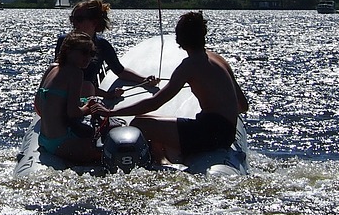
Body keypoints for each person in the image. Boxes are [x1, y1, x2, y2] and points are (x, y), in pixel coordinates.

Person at [106, 11, 248, 164]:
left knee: (140, 124)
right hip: (227, 133)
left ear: (179, 39)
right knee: (149, 120)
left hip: (212, 134)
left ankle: (159, 163)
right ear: (203, 35)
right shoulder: (219, 59)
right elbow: (243, 105)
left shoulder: (190, 65)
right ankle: (168, 156)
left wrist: (112, 112)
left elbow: (155, 103)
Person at [55, 0, 159, 98]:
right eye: (72, 19)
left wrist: (144, 80)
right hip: (65, 95)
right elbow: (59, 74)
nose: (74, 23)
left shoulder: (102, 45)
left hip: (87, 95)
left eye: (79, 19)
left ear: (94, 22)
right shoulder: (64, 41)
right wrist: (107, 95)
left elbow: (120, 71)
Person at [34, 32, 111, 164]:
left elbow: (38, 106)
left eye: (92, 54)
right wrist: (89, 107)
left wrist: (82, 103)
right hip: (62, 142)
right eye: (83, 52)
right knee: (111, 153)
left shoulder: (52, 68)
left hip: (44, 139)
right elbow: (73, 112)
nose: (88, 58)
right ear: (68, 51)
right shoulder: (76, 73)